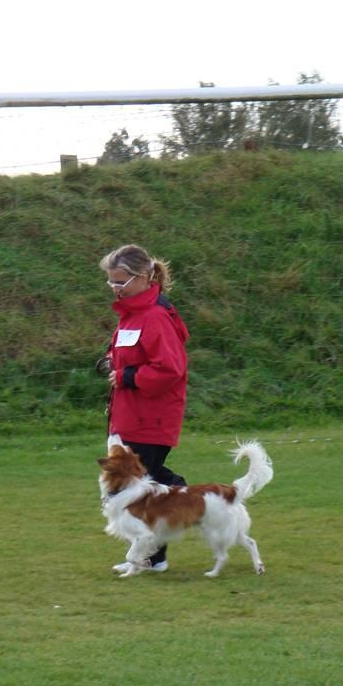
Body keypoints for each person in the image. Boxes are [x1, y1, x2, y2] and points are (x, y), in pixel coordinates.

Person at [98, 243, 190, 573]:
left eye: (120, 281)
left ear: (143, 278)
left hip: (150, 418)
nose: (114, 287)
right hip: (130, 414)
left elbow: (170, 369)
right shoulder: (133, 316)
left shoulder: (155, 318)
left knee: (138, 486)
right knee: (146, 481)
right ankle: (184, 501)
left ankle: (154, 556)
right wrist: (115, 364)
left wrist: (126, 375)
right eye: (110, 281)